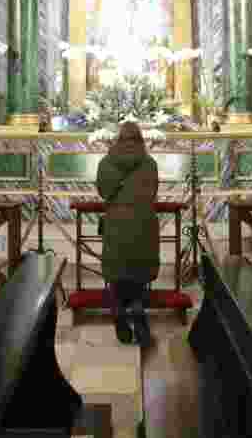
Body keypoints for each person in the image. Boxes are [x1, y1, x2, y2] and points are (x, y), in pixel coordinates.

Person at [96, 122, 160, 346]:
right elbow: (152, 193)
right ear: (141, 139)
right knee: (139, 273)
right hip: (143, 225)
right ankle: (137, 307)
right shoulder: (150, 164)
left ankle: (119, 311)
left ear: (118, 139)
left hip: (116, 225)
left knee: (117, 273)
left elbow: (104, 193)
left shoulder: (106, 163)